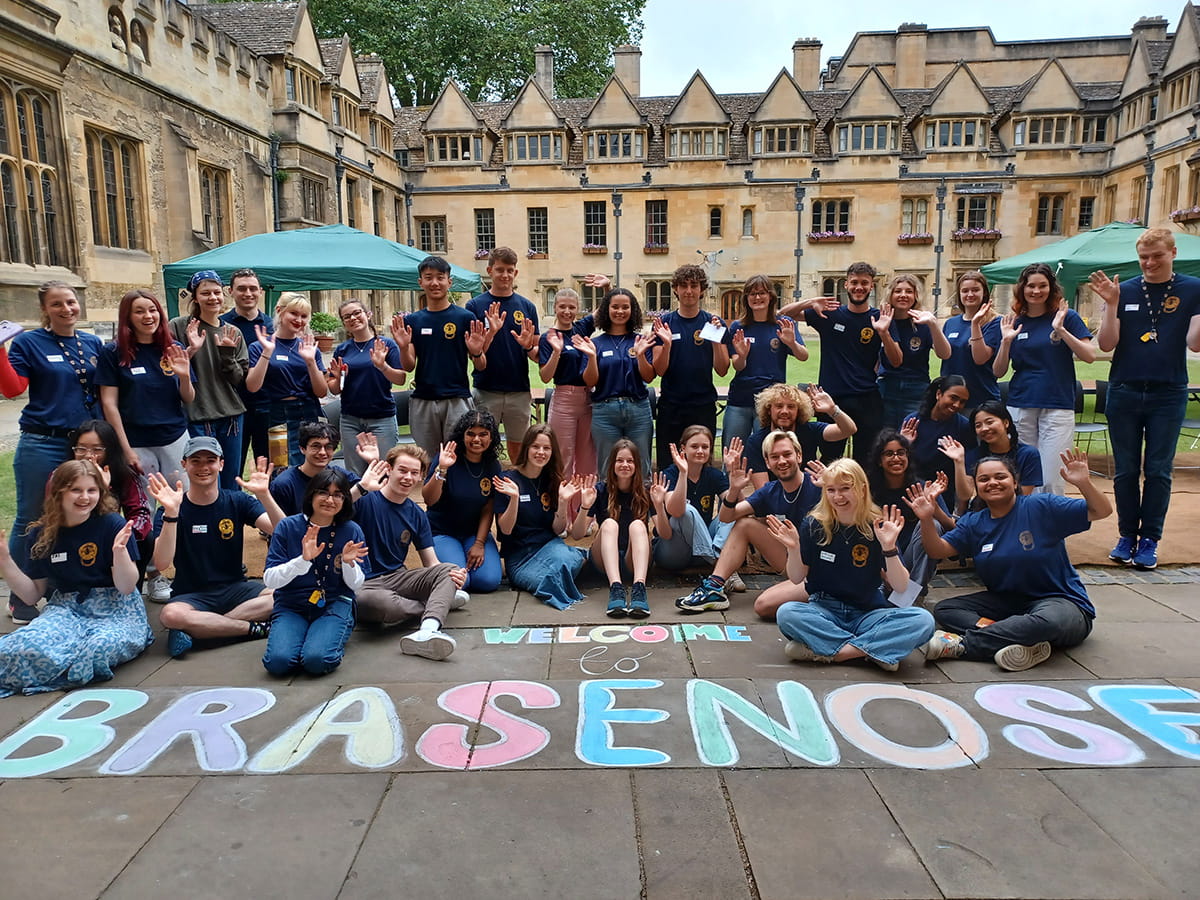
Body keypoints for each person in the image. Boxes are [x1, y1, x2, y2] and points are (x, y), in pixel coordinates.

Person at [911, 450, 1112, 671]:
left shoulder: (1041, 506)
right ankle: (1012, 636)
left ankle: (963, 645)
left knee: (1048, 621)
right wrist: (926, 518)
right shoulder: (974, 522)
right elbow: (937, 550)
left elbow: (1101, 511)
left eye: (1000, 477)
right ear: (977, 487)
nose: (992, 483)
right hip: (1007, 605)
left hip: (1060, 602)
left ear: (1014, 481)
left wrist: (1084, 483)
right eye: (984, 479)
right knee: (946, 609)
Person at [1091, 226, 1200, 570]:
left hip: (1168, 391)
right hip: (1124, 388)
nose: (1149, 263)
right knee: (1124, 471)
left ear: (1172, 254)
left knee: (1158, 470)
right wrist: (1110, 304)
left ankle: (1149, 538)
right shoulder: (1122, 290)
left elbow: (1195, 343)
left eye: (1157, 256)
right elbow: (1106, 344)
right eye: (1144, 258)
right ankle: (1126, 535)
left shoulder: (1192, 289)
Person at [766, 457, 936, 672]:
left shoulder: (878, 524)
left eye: (845, 489)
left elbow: (901, 587)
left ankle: (834, 653)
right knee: (787, 613)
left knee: (923, 620)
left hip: (867, 612)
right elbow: (797, 578)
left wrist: (889, 547)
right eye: (831, 490)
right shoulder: (814, 523)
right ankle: (875, 650)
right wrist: (793, 548)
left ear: (862, 489)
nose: (837, 497)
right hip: (824, 609)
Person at [0, 460, 153, 696]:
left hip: (116, 609)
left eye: (91, 490)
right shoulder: (41, 534)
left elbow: (126, 586)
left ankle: (50, 673)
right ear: (58, 492)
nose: (85, 497)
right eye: (76, 490)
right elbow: (32, 595)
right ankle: (45, 667)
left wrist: (119, 553)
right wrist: (4, 561)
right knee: (20, 647)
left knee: (97, 649)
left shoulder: (112, 524)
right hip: (66, 609)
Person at [1, 281, 104, 623]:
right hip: (43, 442)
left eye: (71, 302)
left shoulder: (92, 343)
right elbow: (13, 387)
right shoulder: (30, 342)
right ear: (44, 309)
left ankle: (68, 585)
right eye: (57, 304)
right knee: (31, 517)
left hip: (84, 447)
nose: (66, 309)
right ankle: (20, 596)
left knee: (83, 513)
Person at [147, 436, 284, 658]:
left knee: (285, 594)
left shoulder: (237, 501)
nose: (203, 467)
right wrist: (172, 515)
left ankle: (206, 630)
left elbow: (283, 531)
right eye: (196, 461)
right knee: (171, 615)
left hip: (235, 589)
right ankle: (247, 628)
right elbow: (161, 563)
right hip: (191, 595)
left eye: (210, 460)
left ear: (221, 464)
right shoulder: (172, 508)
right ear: (184, 464)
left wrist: (264, 496)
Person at [676, 430, 821, 616]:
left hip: (823, 568)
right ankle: (714, 587)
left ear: (799, 456)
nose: (782, 461)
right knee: (744, 525)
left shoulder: (821, 484)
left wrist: (834, 490)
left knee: (764, 605)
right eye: (775, 457)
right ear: (767, 463)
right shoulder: (770, 490)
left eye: (787, 454)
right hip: (794, 564)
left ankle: (827, 600)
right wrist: (734, 489)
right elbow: (727, 517)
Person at [353, 444, 469, 659]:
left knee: (449, 569)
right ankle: (436, 603)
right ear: (389, 469)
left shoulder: (416, 513)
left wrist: (452, 577)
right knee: (383, 604)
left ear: (421, 477)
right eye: (402, 470)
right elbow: (334, 512)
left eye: (414, 473)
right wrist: (360, 487)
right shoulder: (366, 499)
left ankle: (427, 631)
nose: (408, 477)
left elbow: (431, 562)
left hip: (398, 578)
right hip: (362, 584)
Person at [780, 262, 901, 464]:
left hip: (866, 399)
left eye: (864, 283)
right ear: (846, 285)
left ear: (872, 286)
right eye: (854, 282)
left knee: (867, 460)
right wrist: (810, 302)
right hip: (831, 399)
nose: (859, 287)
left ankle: (862, 495)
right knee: (830, 460)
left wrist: (884, 333)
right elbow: (782, 314)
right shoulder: (829, 313)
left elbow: (896, 361)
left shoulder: (881, 318)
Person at [992, 262, 1095, 495]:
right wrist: (1006, 341)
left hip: (1057, 403)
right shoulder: (1014, 321)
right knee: (1023, 474)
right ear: (1022, 289)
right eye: (1031, 286)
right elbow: (998, 371)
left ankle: (1052, 528)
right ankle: (1023, 524)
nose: (1036, 291)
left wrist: (1062, 330)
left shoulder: (1067, 317)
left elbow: (1089, 355)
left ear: (1051, 288)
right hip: (1021, 403)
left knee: (1052, 476)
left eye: (1042, 286)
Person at [262, 469, 367, 677]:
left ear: (345, 499)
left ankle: (326, 636)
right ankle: (307, 638)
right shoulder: (287, 526)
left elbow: (356, 585)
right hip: (292, 604)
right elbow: (270, 578)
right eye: (323, 493)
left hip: (334, 602)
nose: (330, 500)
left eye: (338, 495)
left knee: (316, 661)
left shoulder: (351, 529)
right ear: (311, 495)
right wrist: (302, 560)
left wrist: (348, 563)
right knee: (278, 663)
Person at [391, 255, 488, 460]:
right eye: (428, 277)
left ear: (449, 282)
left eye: (440, 277)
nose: (434, 283)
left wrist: (477, 351)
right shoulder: (413, 321)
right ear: (421, 282)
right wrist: (402, 346)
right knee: (427, 459)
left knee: (459, 455)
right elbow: (408, 366)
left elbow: (481, 366)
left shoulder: (465, 318)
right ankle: (431, 492)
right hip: (423, 400)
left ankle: (456, 492)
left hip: (457, 398)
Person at [97, 288, 195, 483]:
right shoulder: (112, 352)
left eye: (153, 310)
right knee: (144, 507)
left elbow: (189, 398)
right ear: (128, 317)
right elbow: (109, 405)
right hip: (136, 443)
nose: (148, 316)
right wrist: (125, 450)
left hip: (174, 437)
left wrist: (184, 377)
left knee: (183, 500)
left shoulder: (174, 348)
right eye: (139, 311)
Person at [493, 424, 587, 610]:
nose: (541, 452)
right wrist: (514, 499)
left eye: (546, 448)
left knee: (563, 561)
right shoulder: (508, 480)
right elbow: (505, 529)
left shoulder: (552, 480)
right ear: (526, 447)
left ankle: (571, 561)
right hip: (520, 557)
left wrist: (562, 501)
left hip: (549, 547)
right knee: (551, 578)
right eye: (536, 446)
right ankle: (572, 562)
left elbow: (558, 530)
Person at [169, 270, 249, 490]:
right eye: (206, 293)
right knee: (203, 480)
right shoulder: (177, 326)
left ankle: (232, 523)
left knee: (231, 478)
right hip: (198, 416)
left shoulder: (233, 331)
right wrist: (191, 350)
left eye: (217, 292)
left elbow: (237, 380)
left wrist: (227, 354)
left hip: (231, 417)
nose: (213, 298)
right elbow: (169, 369)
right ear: (195, 297)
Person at [650, 264, 730, 469]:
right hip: (671, 406)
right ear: (675, 289)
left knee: (701, 465)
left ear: (702, 289)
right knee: (669, 465)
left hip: (702, 406)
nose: (688, 291)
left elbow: (722, 370)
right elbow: (659, 370)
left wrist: (715, 340)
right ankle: (667, 502)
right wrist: (667, 344)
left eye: (694, 285)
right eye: (683, 286)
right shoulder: (664, 323)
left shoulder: (713, 323)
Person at [864, 429, 956, 604]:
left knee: (932, 525)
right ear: (879, 461)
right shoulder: (869, 491)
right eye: (889, 454)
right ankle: (899, 595)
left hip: (914, 559)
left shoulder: (922, 488)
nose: (896, 458)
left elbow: (952, 529)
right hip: (882, 562)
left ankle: (911, 597)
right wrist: (882, 573)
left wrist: (933, 508)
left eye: (901, 453)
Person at [467, 247, 540, 459]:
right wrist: (491, 332)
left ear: (515, 273)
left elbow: (534, 351)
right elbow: (474, 353)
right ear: (489, 271)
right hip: (487, 388)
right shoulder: (474, 306)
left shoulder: (527, 306)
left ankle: (516, 488)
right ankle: (485, 487)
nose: (505, 275)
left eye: (509, 270)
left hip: (518, 389)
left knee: (518, 448)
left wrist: (528, 345)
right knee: (483, 445)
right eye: (500, 270)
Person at [64, 420, 155, 590]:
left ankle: (130, 593)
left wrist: (123, 536)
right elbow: (56, 516)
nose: (88, 455)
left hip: (109, 537)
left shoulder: (123, 474)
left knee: (145, 539)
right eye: (81, 448)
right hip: (71, 538)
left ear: (110, 450)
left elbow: (140, 513)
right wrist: (98, 489)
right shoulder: (60, 476)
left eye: (97, 449)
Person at [423, 408, 504, 593]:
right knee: (460, 582)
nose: (476, 440)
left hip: (473, 533)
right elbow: (429, 500)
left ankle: (469, 560)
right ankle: (438, 565)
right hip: (441, 531)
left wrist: (479, 543)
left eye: (483, 434)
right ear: (462, 435)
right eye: (471, 434)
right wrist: (442, 469)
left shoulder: (492, 465)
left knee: (488, 581)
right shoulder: (447, 458)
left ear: (491, 438)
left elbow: (488, 507)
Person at [723, 274, 808, 450]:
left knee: (766, 453)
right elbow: (737, 366)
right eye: (752, 294)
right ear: (746, 298)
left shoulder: (783, 324)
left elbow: (803, 356)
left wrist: (791, 343)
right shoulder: (738, 327)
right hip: (740, 400)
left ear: (770, 296)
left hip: (771, 404)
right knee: (733, 452)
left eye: (762, 293)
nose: (757, 297)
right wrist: (742, 354)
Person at [245, 291, 328, 467]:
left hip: (307, 412)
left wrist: (311, 362)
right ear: (280, 311)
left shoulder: (310, 348)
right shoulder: (259, 346)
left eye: (304, 316)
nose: (299, 320)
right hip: (274, 414)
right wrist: (267, 353)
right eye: (294, 313)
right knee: (278, 465)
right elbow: (252, 386)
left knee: (310, 464)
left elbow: (321, 391)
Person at [573, 439, 653, 618]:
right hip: (605, 560)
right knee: (609, 524)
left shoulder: (646, 491)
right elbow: (577, 535)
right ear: (612, 464)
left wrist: (660, 505)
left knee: (638, 525)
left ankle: (639, 587)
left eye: (630, 461)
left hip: (634, 561)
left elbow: (664, 533)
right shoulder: (600, 490)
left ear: (637, 465)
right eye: (619, 460)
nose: (625, 464)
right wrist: (585, 506)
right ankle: (616, 588)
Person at [579, 288, 657, 471]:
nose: (620, 311)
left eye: (625, 307)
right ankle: (608, 500)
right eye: (615, 307)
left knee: (641, 466)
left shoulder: (640, 341)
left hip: (638, 409)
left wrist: (641, 356)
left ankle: (642, 500)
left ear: (633, 310)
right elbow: (590, 382)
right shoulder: (595, 343)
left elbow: (649, 377)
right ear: (606, 309)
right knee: (607, 468)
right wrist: (591, 357)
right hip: (605, 412)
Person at [328, 298, 404, 475]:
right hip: (350, 419)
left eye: (357, 313)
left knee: (384, 471)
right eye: (347, 317)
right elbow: (334, 389)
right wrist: (337, 377)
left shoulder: (386, 345)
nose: (353, 318)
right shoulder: (342, 350)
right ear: (344, 323)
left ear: (367, 314)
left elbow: (400, 379)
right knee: (355, 473)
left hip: (382, 418)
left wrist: (382, 366)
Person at [539, 286, 597, 491]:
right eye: (562, 306)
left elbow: (604, 309)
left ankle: (584, 514)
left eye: (572, 307)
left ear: (578, 308)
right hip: (564, 399)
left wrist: (607, 286)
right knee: (563, 457)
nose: (567, 311)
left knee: (587, 459)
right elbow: (545, 377)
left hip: (587, 399)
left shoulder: (580, 329)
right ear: (554, 307)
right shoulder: (548, 337)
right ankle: (563, 514)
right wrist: (556, 352)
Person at [744, 383, 856, 488]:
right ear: (769, 410)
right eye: (779, 406)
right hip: (775, 500)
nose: (785, 411)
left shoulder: (811, 429)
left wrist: (832, 410)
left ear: (799, 411)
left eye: (791, 407)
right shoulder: (756, 441)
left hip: (809, 494)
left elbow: (848, 430)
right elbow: (762, 489)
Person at [652, 425, 730, 572]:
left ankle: (715, 556)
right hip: (673, 551)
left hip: (701, 549)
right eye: (694, 446)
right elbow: (676, 511)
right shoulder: (669, 474)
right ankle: (719, 563)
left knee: (733, 511)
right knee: (687, 511)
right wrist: (683, 473)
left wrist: (733, 476)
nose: (700, 451)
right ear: (683, 448)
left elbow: (738, 505)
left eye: (705, 447)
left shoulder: (713, 474)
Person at [876, 275, 951, 428]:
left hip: (916, 388)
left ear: (916, 295)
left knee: (913, 436)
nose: (903, 295)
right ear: (890, 294)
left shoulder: (923, 322)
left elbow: (945, 354)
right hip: (887, 386)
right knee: (885, 436)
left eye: (909, 291)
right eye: (898, 291)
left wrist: (933, 325)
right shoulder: (881, 321)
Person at [219, 269, 273, 476]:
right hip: (233, 407)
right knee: (232, 467)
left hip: (268, 407)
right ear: (231, 291)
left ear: (260, 291)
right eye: (241, 288)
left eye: (252, 288)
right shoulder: (222, 325)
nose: (247, 293)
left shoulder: (272, 326)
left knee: (269, 465)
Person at [898, 374, 974, 510]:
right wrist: (904, 444)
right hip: (911, 489)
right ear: (939, 394)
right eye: (953, 398)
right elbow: (895, 462)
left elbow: (967, 473)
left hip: (943, 494)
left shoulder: (963, 427)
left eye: (962, 402)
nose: (957, 405)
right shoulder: (913, 422)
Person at [269, 422, 373, 517]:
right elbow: (278, 526)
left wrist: (373, 461)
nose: (322, 452)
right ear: (302, 449)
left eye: (328, 447)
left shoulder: (340, 474)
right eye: (316, 446)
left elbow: (374, 493)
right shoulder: (284, 484)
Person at [957, 400, 1043, 502]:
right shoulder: (973, 455)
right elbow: (965, 496)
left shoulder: (1027, 454)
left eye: (990, 422)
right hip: (983, 511)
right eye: (978, 425)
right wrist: (958, 461)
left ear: (1006, 423)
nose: (984, 428)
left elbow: (1023, 496)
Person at [941, 271, 1002, 410]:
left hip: (981, 399)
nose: (970, 294)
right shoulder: (951, 323)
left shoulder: (995, 322)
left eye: (975, 290)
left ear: (984, 293)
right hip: (951, 400)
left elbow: (980, 358)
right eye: (965, 291)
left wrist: (975, 324)